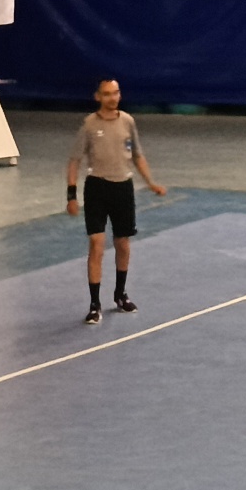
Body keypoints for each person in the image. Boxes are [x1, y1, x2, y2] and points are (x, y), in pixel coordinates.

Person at [67, 78, 167, 326]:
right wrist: (71, 194)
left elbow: (137, 155)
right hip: (97, 188)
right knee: (96, 244)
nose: (113, 98)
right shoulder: (89, 125)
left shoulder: (128, 122)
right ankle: (94, 305)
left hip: (123, 188)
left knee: (122, 243)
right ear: (98, 97)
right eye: (107, 94)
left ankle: (120, 295)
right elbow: (74, 161)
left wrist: (151, 182)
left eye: (116, 93)